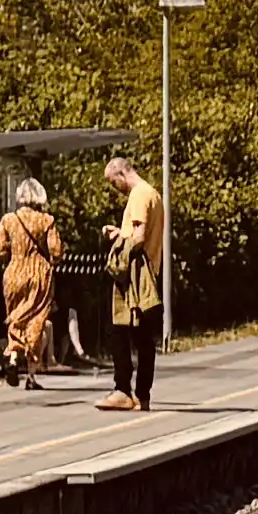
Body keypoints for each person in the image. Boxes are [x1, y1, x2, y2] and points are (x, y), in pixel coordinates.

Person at [99, 154, 168, 413]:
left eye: (112, 182)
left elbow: (138, 237)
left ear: (120, 174)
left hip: (134, 274)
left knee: (118, 329)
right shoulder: (153, 194)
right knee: (142, 336)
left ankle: (122, 390)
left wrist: (119, 249)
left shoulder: (139, 195)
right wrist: (120, 232)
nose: (114, 188)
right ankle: (142, 395)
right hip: (149, 270)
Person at [0, 177, 63, 388]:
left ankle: (13, 358)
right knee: (36, 320)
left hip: (14, 274)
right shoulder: (46, 220)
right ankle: (31, 376)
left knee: (16, 316)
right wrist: (51, 262)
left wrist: (13, 257)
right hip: (39, 275)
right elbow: (56, 251)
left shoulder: (8, 220)